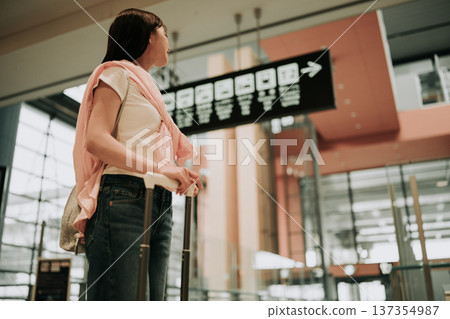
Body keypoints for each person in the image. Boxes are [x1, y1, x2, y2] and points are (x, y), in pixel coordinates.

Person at [72, 8, 203, 301]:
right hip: (122, 196)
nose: (169, 39)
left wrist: (171, 172)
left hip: (157, 200)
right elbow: (96, 140)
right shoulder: (117, 74)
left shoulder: (147, 87)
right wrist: (158, 169)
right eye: (164, 31)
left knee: (153, 302)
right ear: (148, 36)